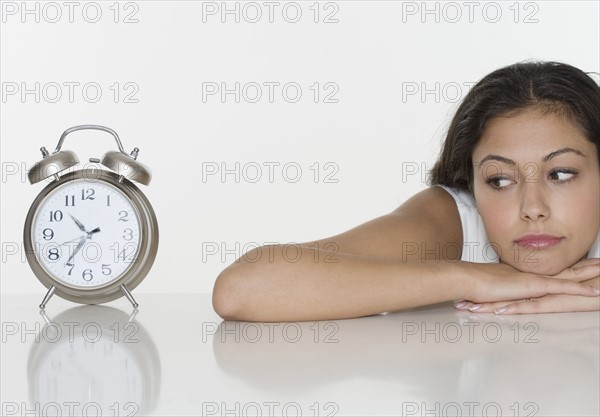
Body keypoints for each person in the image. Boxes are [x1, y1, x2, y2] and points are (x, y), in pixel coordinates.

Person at [212, 61, 600, 322]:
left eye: (561, 174)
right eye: (500, 180)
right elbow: (242, 288)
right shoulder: (455, 220)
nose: (532, 208)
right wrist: (472, 278)